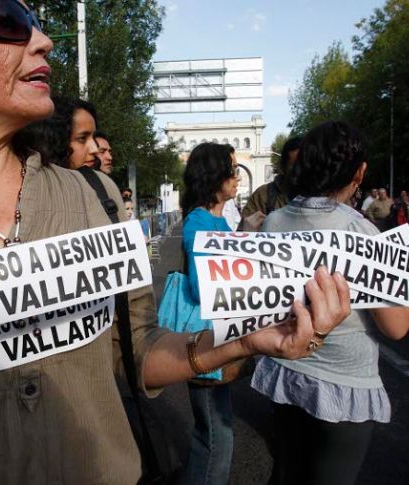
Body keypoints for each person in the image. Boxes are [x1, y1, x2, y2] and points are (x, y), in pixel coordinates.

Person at [0, 1, 352, 483]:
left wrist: (247, 340)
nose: (43, 40)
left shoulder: (95, 197)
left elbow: (136, 350)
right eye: (9, 20)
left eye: (36, 19)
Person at [252, 121, 409, 485]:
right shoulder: (361, 231)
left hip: (288, 369)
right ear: (359, 172)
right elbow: (396, 326)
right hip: (344, 381)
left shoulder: (274, 221)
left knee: (287, 473)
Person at [179, 143, 240, 484]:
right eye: (232, 170)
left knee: (217, 434)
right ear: (215, 177)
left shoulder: (216, 220)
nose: (237, 178)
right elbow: (204, 288)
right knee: (216, 438)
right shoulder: (200, 222)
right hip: (205, 338)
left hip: (219, 336)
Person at [239, 136, 302, 231]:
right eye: (295, 166)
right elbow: (243, 233)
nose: (302, 171)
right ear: (283, 167)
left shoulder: (323, 195)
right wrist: (248, 230)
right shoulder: (262, 196)